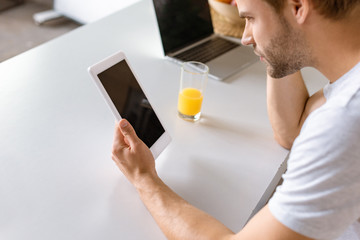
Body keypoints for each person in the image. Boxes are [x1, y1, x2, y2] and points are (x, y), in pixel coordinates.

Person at [111, 0, 360, 239]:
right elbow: (292, 130)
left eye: (251, 18)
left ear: (298, 7)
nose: (245, 37)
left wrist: (144, 178)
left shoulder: (346, 120)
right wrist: (276, 43)